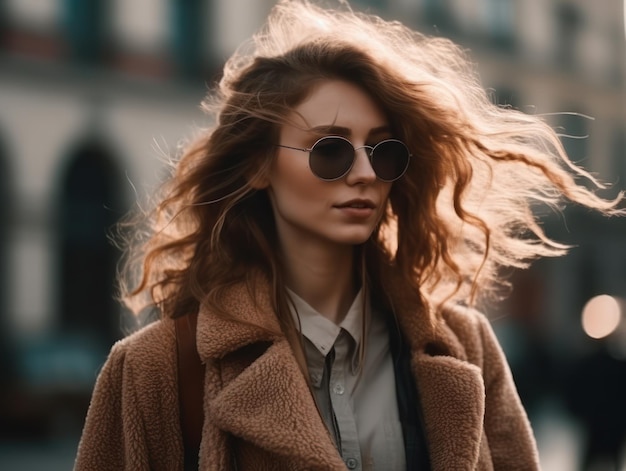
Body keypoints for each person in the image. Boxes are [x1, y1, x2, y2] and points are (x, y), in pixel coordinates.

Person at [74, 1, 624, 470]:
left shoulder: (464, 348)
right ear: (258, 167)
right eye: (330, 150)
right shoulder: (157, 369)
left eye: (383, 151)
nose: (363, 172)